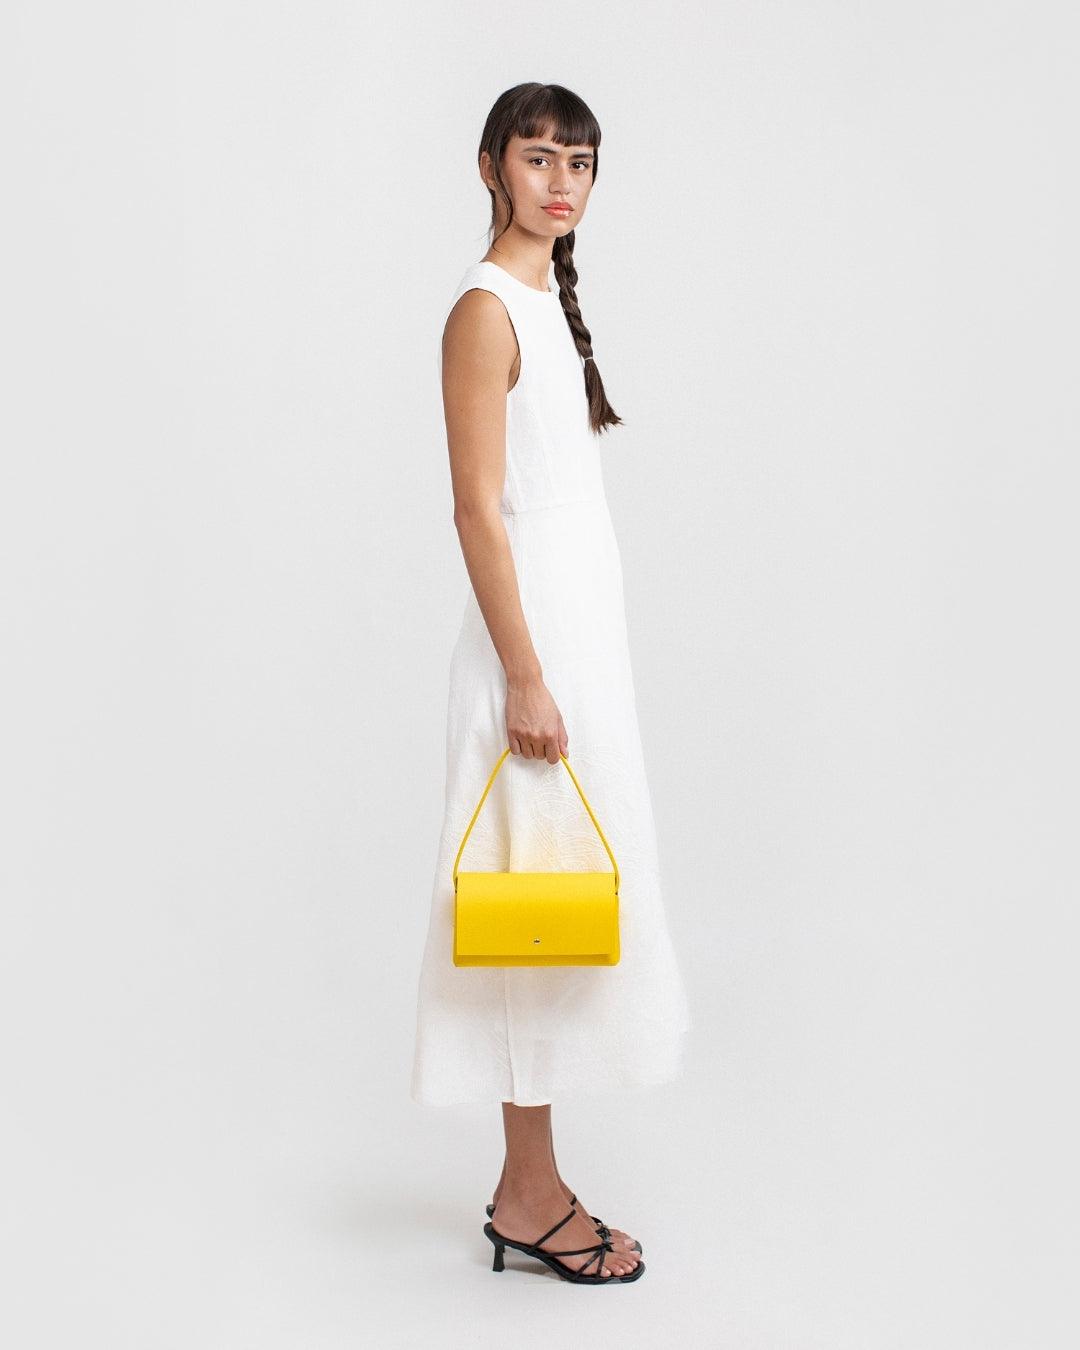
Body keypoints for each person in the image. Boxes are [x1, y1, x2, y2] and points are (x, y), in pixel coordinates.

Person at [410, 82, 692, 1285]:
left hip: (578, 643)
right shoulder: (484, 312)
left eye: (580, 161)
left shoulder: (541, 300)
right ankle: (529, 1192)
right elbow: (478, 511)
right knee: (528, 913)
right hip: (531, 653)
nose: (562, 181)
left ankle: (531, 1183)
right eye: (538, 158)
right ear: (491, 167)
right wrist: (525, 678)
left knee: (565, 902)